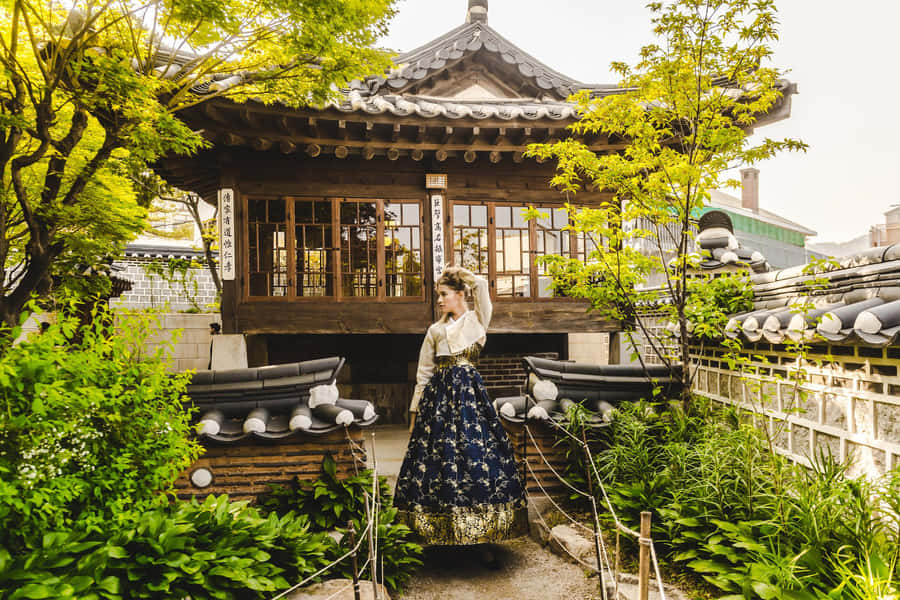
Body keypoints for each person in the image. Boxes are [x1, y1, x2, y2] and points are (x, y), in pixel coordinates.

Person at [393, 266, 526, 549]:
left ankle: (484, 537)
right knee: (436, 460)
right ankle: (435, 531)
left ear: (459, 295)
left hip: (470, 401)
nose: (439, 301)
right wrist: (414, 416)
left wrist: (457, 272)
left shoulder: (477, 322)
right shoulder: (435, 330)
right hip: (437, 403)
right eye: (439, 295)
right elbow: (423, 374)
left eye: (444, 294)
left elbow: (480, 284)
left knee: (477, 456)